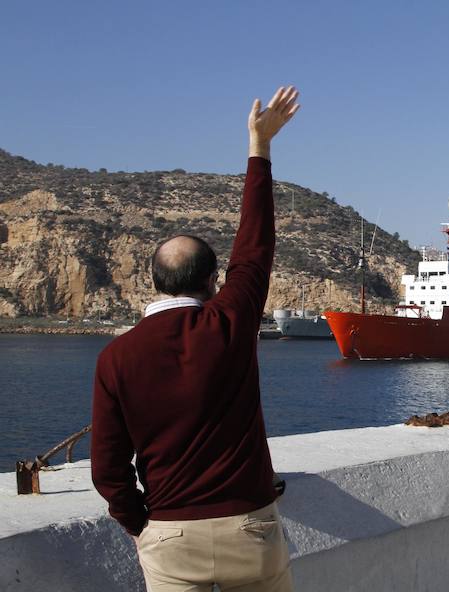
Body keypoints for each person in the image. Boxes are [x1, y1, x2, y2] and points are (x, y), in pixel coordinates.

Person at [91, 85, 300, 591]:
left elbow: (108, 469)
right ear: (212, 282)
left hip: (169, 537)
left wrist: (141, 525)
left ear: (154, 281)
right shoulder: (229, 322)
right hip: (249, 529)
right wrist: (260, 146)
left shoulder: (115, 358)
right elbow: (253, 248)